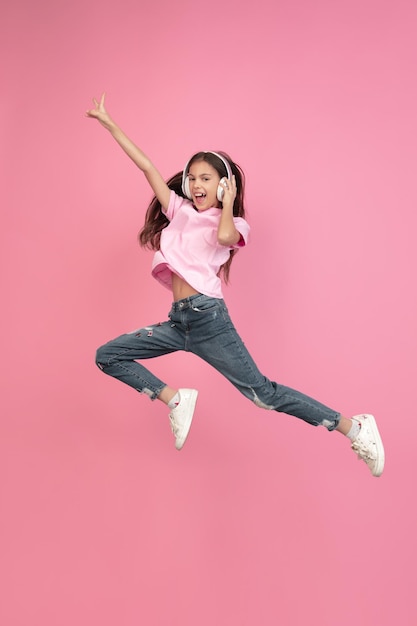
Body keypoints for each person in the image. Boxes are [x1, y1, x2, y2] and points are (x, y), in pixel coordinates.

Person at [87, 93, 385, 477]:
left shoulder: (233, 224)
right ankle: (174, 399)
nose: (195, 185)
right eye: (192, 178)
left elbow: (226, 236)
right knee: (107, 355)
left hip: (209, 321)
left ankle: (354, 427)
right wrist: (110, 123)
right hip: (178, 322)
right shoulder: (177, 210)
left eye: (205, 179)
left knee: (263, 395)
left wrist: (226, 204)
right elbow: (147, 167)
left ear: (223, 184)